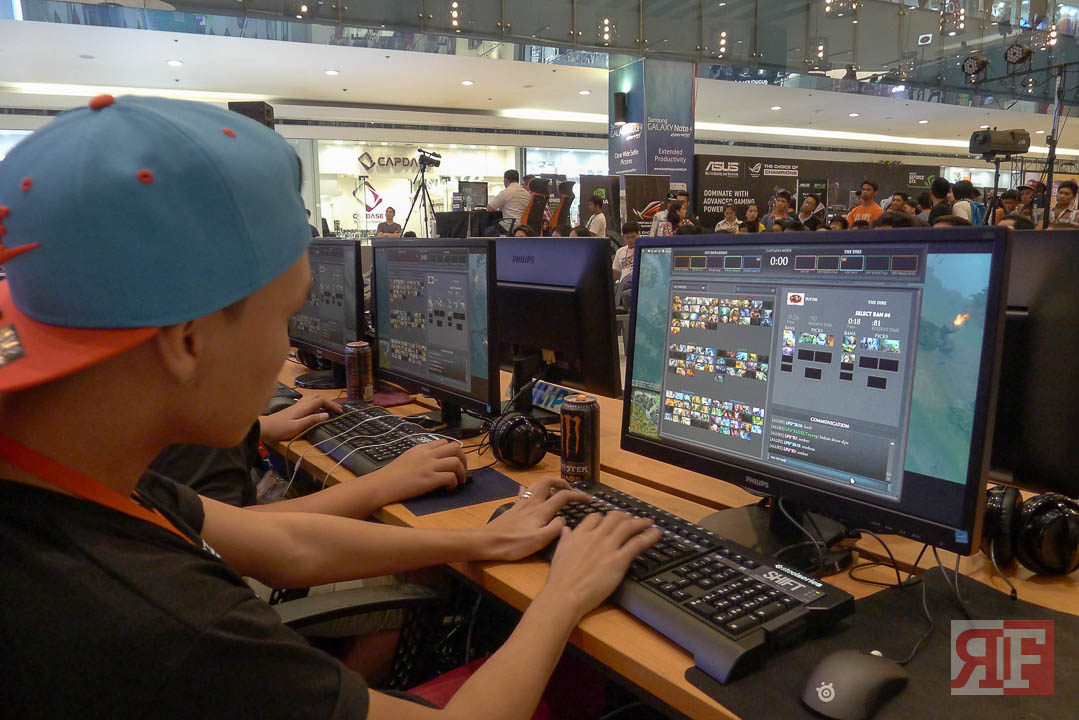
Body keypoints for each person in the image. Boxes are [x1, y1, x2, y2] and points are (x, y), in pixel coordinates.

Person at [0, 95, 661, 720]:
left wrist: (483, 538)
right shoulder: (164, 625)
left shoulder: (71, 464)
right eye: (285, 316)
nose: (286, 347)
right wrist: (563, 595)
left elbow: (282, 544)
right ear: (188, 341)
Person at [486, 169, 531, 235]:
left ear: (506, 180)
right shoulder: (526, 193)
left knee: (488, 231)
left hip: (510, 226)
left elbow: (490, 208)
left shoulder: (506, 192)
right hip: (523, 227)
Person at [612, 221, 638, 306]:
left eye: (633, 237)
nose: (630, 240)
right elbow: (615, 272)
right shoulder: (620, 251)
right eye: (627, 237)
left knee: (624, 287)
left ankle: (616, 308)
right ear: (623, 237)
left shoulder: (642, 249)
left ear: (638, 235)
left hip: (635, 281)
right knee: (612, 290)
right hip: (622, 282)